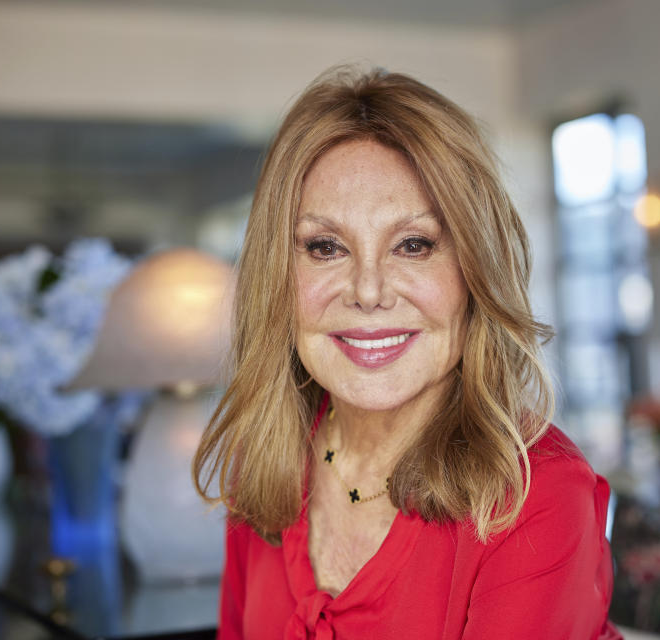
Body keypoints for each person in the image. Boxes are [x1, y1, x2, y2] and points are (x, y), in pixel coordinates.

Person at [193, 67, 621, 639]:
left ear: (475, 271)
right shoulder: (267, 461)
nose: (369, 291)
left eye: (413, 245)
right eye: (325, 247)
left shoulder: (535, 495)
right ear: (277, 277)